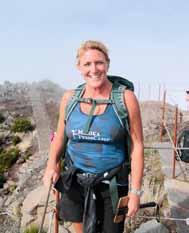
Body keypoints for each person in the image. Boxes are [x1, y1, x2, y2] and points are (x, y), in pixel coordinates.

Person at [43, 40, 144, 233]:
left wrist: (135, 192)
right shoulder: (69, 98)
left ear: (107, 63)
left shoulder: (125, 98)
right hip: (75, 183)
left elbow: (137, 146)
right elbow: (60, 137)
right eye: (87, 64)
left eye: (99, 62)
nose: (94, 69)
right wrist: (51, 166)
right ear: (78, 67)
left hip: (112, 185)